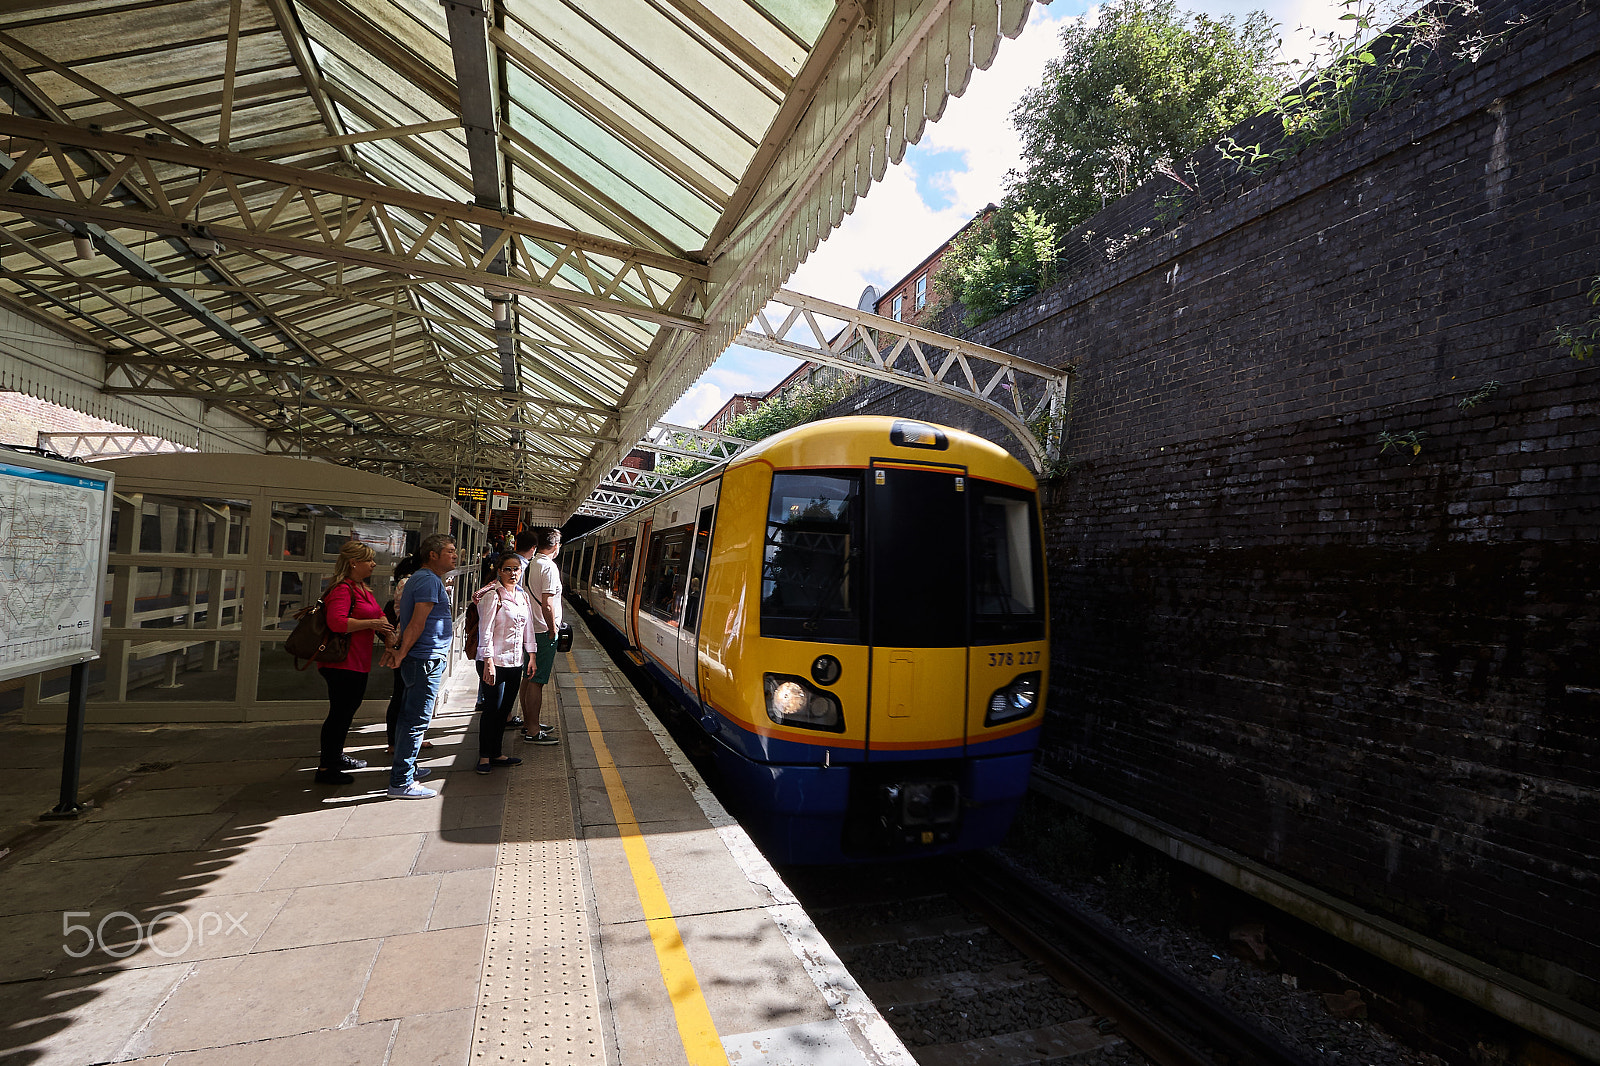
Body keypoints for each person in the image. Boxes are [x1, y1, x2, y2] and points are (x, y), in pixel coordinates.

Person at [380, 533, 457, 799]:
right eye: (449, 551)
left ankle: (408, 768)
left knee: (408, 717)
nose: (455, 555)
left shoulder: (425, 579)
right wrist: (402, 653)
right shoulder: (426, 581)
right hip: (425, 659)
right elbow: (417, 623)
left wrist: (400, 649)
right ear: (432, 555)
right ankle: (401, 782)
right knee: (416, 720)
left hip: (423, 657)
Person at [314, 541, 395, 785]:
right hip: (341, 663)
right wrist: (372, 624)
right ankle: (327, 767)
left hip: (356, 661)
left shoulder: (361, 588)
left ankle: (335, 756)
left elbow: (376, 614)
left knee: (346, 712)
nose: (373, 564)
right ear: (353, 563)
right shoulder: (342, 589)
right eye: (368, 560)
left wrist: (385, 629)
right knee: (340, 713)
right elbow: (337, 622)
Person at [472, 555, 533, 774]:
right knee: (491, 710)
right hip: (494, 663)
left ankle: (497, 753)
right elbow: (485, 631)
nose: (513, 573)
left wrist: (531, 655)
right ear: (499, 571)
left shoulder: (522, 596)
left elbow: (528, 627)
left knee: (504, 710)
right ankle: (484, 757)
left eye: (517, 569)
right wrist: (488, 661)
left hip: (515, 663)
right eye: (508, 569)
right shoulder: (492, 596)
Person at [382, 555, 432, 755]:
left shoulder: (409, 581)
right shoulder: (408, 582)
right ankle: (396, 741)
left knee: (408, 693)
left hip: (409, 643)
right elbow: (413, 617)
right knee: (403, 693)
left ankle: (406, 739)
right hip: (408, 643)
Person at [519, 527, 563, 745]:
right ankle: (534, 731)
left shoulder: (530, 565)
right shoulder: (549, 567)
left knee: (528, 677)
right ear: (555, 545)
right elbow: (547, 603)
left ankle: (529, 723)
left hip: (530, 629)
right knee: (537, 680)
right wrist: (552, 628)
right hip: (542, 630)